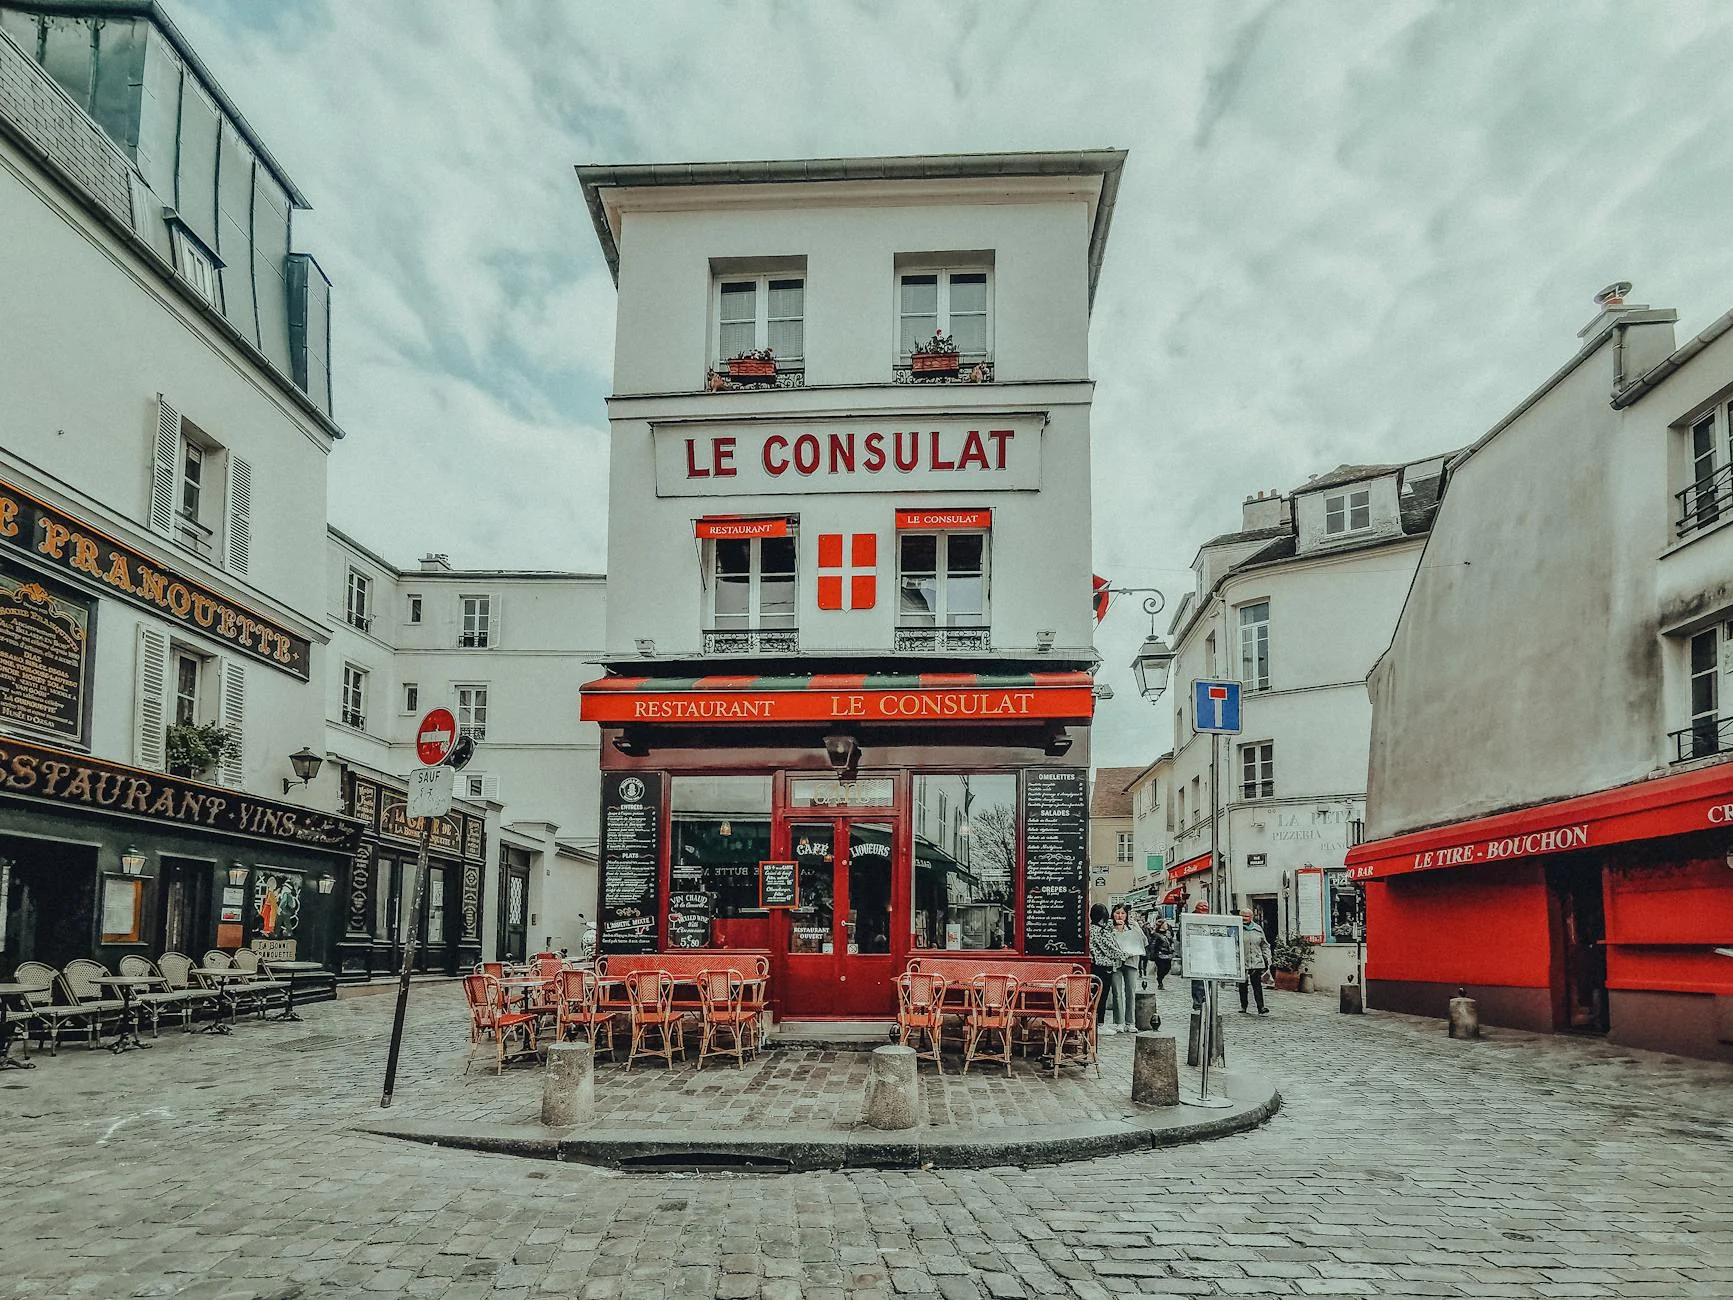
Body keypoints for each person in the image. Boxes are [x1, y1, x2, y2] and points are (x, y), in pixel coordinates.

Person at [1106, 904, 1144, 1032]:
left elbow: (1143, 941)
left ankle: (1130, 1022)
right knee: (1117, 992)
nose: (1120, 916)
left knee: (1130, 992)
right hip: (1116, 962)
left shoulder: (1133, 926)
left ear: (1126, 915)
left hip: (1131, 961)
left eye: (1122, 913)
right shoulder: (1109, 927)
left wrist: (1136, 928)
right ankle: (1119, 1022)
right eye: (1117, 913)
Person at [1088, 903, 1121, 1029]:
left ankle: (1097, 1022)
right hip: (1103, 966)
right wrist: (1124, 954)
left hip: (1096, 966)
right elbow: (1108, 948)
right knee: (1102, 996)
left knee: (1096, 995)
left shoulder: (1093, 928)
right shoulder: (1100, 931)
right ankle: (1099, 1023)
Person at [1238, 910, 1273, 1014]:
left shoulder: (1257, 929)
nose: (1244, 918)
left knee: (1257, 985)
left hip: (1256, 960)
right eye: (1242, 916)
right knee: (1242, 985)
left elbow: (1264, 944)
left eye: (1247, 916)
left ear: (1251, 917)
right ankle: (1244, 1006)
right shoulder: (1237, 928)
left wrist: (1268, 957)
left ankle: (1261, 1007)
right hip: (1242, 960)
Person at [1149, 916, 1176, 990]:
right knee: (1161, 968)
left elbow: (1171, 942)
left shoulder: (1168, 933)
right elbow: (1152, 945)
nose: (1167, 926)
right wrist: (1152, 955)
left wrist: (1172, 951)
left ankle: (1160, 978)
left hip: (1167, 954)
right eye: (1165, 924)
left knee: (1167, 968)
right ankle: (1160, 981)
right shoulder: (1156, 934)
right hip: (1160, 954)